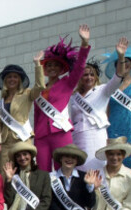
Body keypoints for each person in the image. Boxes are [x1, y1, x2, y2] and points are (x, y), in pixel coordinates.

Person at [34, 25, 91, 171]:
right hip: (41, 136)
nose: (52, 68)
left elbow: (79, 67)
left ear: (61, 69)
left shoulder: (67, 83)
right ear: (45, 69)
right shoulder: (39, 89)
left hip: (60, 132)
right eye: (49, 65)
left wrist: (84, 43)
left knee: (64, 170)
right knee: (42, 171)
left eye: (56, 65)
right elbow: (37, 115)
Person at [69, 38, 128, 171]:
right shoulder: (74, 96)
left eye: (91, 75)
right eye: (85, 75)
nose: (88, 77)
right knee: (79, 169)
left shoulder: (103, 90)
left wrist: (121, 56)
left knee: (95, 169)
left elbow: (118, 76)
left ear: (95, 77)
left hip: (95, 134)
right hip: (78, 135)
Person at [0, 54, 45, 172]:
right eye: (9, 77)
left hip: (21, 137)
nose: (12, 79)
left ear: (20, 80)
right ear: (5, 80)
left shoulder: (27, 94)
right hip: (5, 141)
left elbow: (40, 86)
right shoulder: (1, 100)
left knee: (24, 171)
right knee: (4, 172)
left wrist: (37, 64)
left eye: (15, 77)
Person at [2, 142, 52, 210]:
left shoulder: (43, 175)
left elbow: (46, 199)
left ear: (31, 156)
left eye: (25, 154)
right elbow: (9, 201)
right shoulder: (14, 177)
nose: (22, 158)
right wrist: (9, 181)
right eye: (18, 156)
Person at [46, 144, 98, 210]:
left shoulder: (84, 177)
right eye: (67, 156)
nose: (70, 159)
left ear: (77, 161)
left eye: (73, 157)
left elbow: (90, 204)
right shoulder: (51, 177)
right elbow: (51, 203)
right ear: (61, 158)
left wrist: (90, 186)